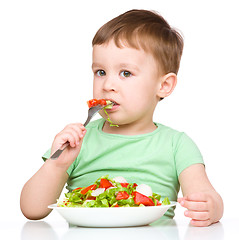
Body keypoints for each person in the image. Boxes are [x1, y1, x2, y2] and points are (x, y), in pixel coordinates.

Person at [20, 9, 223, 226]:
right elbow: (31, 210)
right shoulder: (78, 140)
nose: (107, 85)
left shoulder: (177, 145)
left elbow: (207, 197)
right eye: (100, 72)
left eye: (125, 73)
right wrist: (56, 165)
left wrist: (210, 207)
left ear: (163, 85)